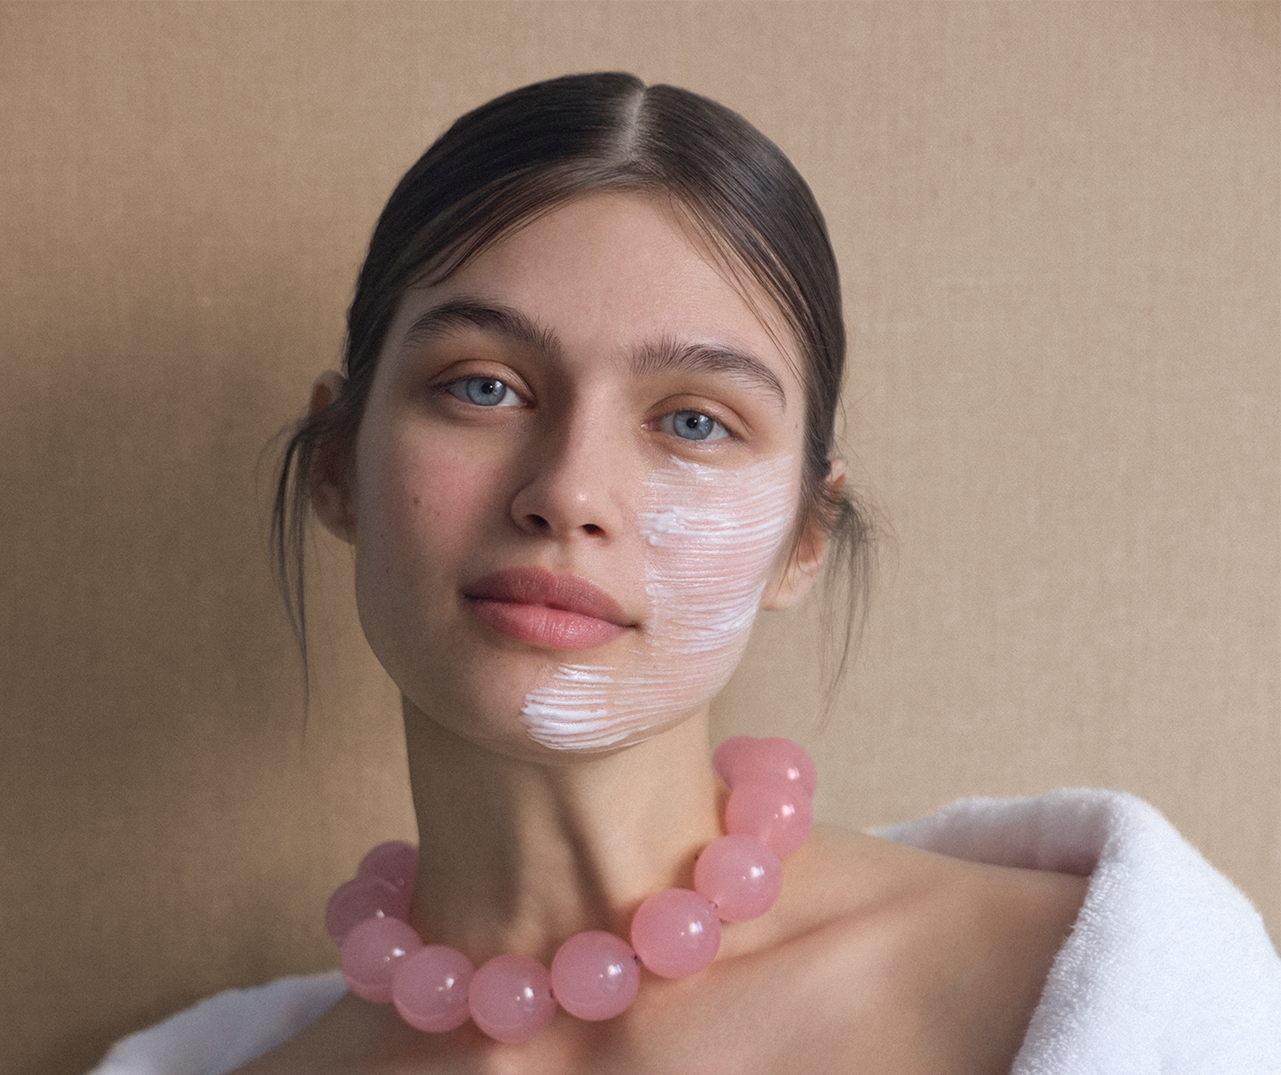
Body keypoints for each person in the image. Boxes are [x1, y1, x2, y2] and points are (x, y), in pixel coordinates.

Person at [88, 72, 1281, 1075]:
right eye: (483, 385)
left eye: (695, 422)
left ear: (802, 541)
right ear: (338, 465)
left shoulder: (1118, 990)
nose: (569, 491)